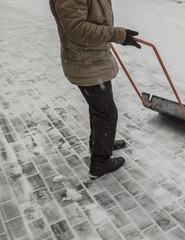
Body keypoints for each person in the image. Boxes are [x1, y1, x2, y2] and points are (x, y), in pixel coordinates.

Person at [49, 0, 141, 179]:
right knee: (106, 113)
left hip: (93, 59)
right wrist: (117, 35)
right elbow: (77, 29)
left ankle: (100, 144)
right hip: (86, 62)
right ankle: (100, 162)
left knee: (100, 110)